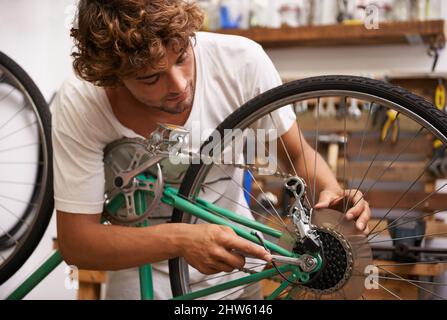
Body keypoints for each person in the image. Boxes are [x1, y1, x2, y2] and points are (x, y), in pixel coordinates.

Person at [52, 0, 371, 299]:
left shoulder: (242, 62)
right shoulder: (82, 101)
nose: (178, 84)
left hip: (239, 283)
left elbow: (296, 155)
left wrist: (331, 192)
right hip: (142, 286)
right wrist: (180, 240)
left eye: (182, 57)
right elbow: (77, 242)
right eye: (150, 77)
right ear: (113, 76)